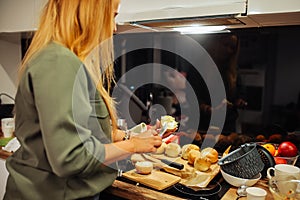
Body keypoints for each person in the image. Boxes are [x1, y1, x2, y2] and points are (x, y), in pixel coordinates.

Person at [4, 0, 162, 199]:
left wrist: (131, 136)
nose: (114, 27)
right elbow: (70, 158)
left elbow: (80, 132)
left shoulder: (66, 59)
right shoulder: (59, 62)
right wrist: (134, 146)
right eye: (112, 15)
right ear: (90, 12)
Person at [198, 34, 247, 134]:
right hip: (204, 126)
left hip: (228, 126)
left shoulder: (234, 70)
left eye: (232, 47)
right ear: (216, 44)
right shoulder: (200, 67)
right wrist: (211, 110)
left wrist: (240, 101)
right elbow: (192, 98)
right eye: (225, 45)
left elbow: (240, 93)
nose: (228, 50)